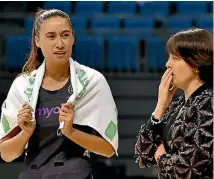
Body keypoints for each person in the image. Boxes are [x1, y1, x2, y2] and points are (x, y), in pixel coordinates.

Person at [0, 9, 118, 179]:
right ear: (37, 41)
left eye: (65, 35)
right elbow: (6, 154)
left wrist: (71, 132)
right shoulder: (23, 86)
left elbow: (108, 149)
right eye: (51, 36)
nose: (60, 43)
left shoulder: (93, 82)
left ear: (73, 38)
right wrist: (25, 133)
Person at [134, 28, 213, 179]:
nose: (167, 64)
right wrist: (161, 106)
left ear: (196, 63)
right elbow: (143, 154)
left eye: (175, 58)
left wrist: (161, 157)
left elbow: (189, 167)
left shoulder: (208, 104)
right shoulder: (178, 104)